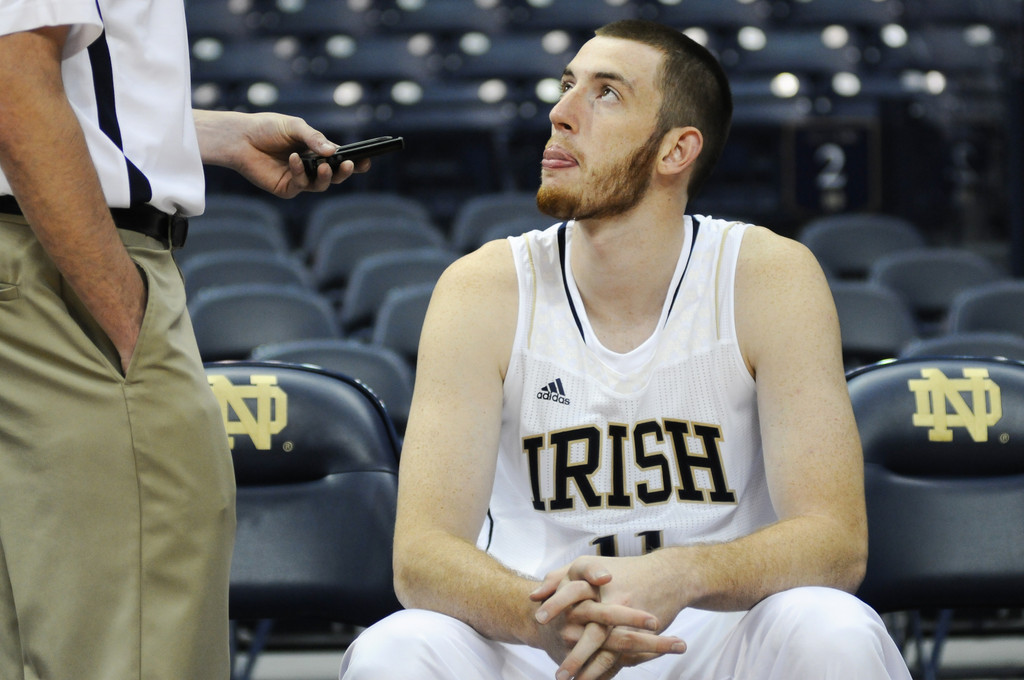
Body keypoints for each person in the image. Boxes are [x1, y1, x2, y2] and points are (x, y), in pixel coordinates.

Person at [339, 19, 912, 680]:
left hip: (714, 639)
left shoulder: (768, 277)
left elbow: (835, 543)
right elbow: (421, 556)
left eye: (605, 94)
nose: (560, 114)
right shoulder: (482, 289)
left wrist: (683, 572)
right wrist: (544, 621)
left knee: (832, 626)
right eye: (566, 86)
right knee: (397, 647)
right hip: (538, 640)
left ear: (676, 151)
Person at [0, 1, 369, 678]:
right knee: (136, 634)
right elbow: (14, 70)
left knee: (32, 633)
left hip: (32, 273)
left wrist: (217, 135)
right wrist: (120, 305)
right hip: (61, 274)